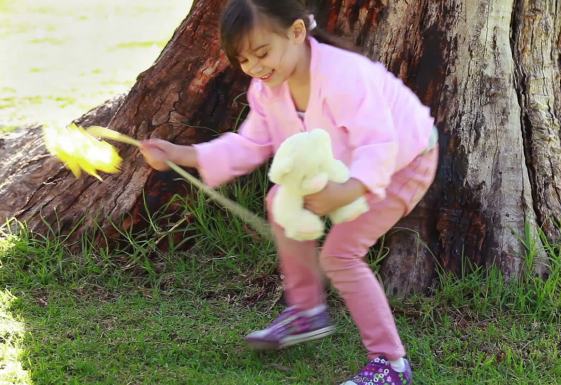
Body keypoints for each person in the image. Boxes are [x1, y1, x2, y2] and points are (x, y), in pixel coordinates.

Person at [139, 1, 439, 383]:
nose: (255, 68)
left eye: (262, 53)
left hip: (403, 161)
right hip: (341, 164)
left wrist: (347, 190)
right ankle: (307, 311)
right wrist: (183, 155)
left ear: (296, 32)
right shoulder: (268, 90)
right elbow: (250, 145)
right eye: (243, 60)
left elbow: (379, 145)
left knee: (340, 255)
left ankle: (391, 364)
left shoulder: (343, 76)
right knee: (279, 202)